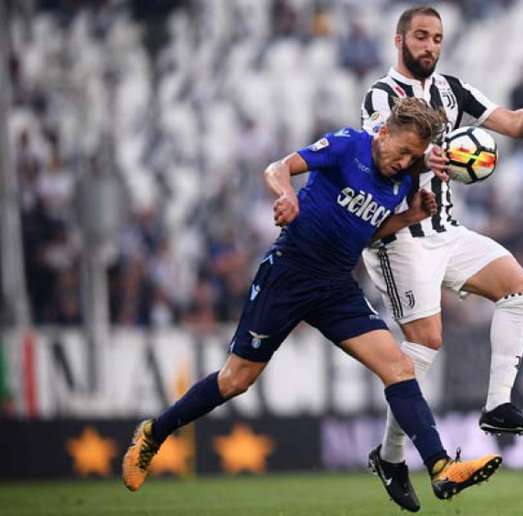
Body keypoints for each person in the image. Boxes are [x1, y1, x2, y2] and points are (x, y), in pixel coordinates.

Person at [121, 97, 502, 503]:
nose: (405, 161)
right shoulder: (348, 146)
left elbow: (366, 230)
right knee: (236, 380)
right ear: (384, 132)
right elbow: (277, 167)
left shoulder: (405, 179)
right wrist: (288, 195)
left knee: (399, 367)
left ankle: (441, 468)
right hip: (290, 273)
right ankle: (153, 434)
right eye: (402, 150)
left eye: (414, 156)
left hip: (335, 285)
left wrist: (407, 218)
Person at [360, 6, 523, 511]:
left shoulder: (451, 89)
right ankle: (393, 456)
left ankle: (498, 405)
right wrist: (424, 158)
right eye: (421, 36)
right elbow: (382, 156)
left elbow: (509, 124)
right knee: (426, 344)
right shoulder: (381, 95)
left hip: (445, 229)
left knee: (519, 286)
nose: (430, 46)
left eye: (437, 38)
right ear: (399, 40)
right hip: (400, 238)